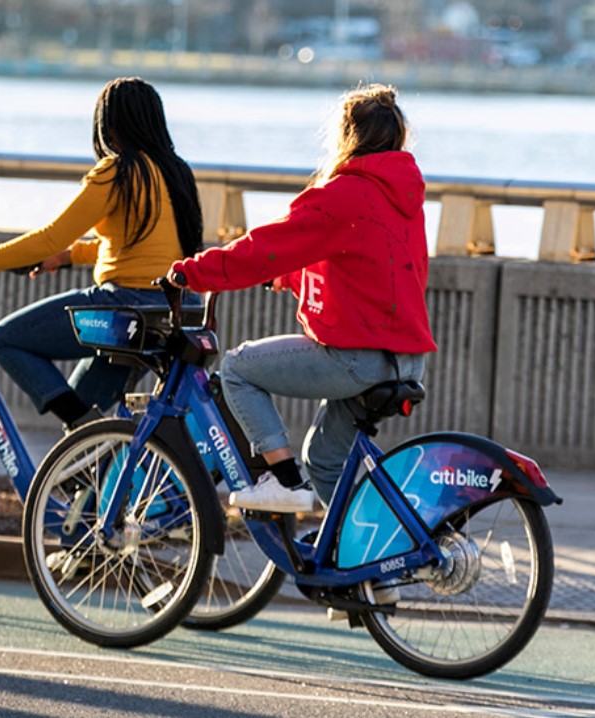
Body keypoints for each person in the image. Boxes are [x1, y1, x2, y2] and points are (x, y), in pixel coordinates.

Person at [168, 83, 436, 512]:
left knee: (237, 369)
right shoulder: (403, 197)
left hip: (356, 358)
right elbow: (366, 267)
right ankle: (366, 566)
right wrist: (293, 276)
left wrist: (194, 271)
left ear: (347, 137)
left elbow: (265, 247)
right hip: (404, 357)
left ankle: (285, 482)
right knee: (326, 461)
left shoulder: (342, 194)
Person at [0, 77, 203, 430]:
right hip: (173, 312)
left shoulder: (118, 172)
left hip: (124, 310)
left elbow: (49, 237)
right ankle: (90, 448)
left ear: (109, 127)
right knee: (85, 425)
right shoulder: (177, 172)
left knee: (7, 339)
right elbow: (137, 246)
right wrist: (68, 257)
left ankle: (84, 432)